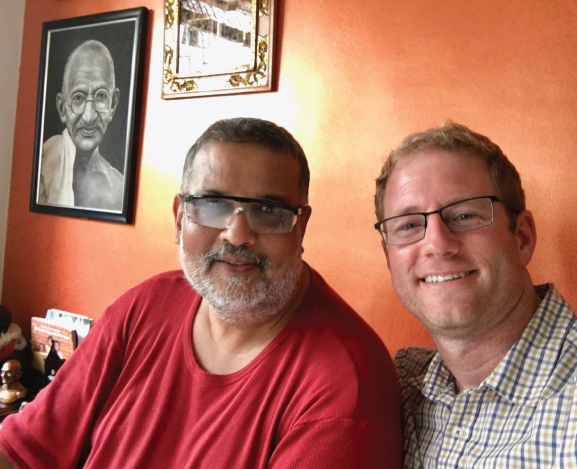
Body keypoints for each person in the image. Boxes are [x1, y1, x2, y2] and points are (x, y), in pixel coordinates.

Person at [0, 118, 402, 468]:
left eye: (268, 211)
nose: (238, 234)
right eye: (212, 204)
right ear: (179, 217)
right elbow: (23, 451)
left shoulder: (346, 387)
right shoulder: (145, 305)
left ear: (300, 227)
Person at [374, 122, 577, 468]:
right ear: (389, 257)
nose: (436, 245)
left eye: (463, 215)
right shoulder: (395, 387)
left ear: (521, 237)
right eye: (409, 225)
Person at [38, 40, 123, 211]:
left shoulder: (118, 189)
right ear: (62, 107)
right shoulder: (43, 163)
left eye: (100, 96)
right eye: (78, 97)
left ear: (112, 104)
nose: (89, 116)